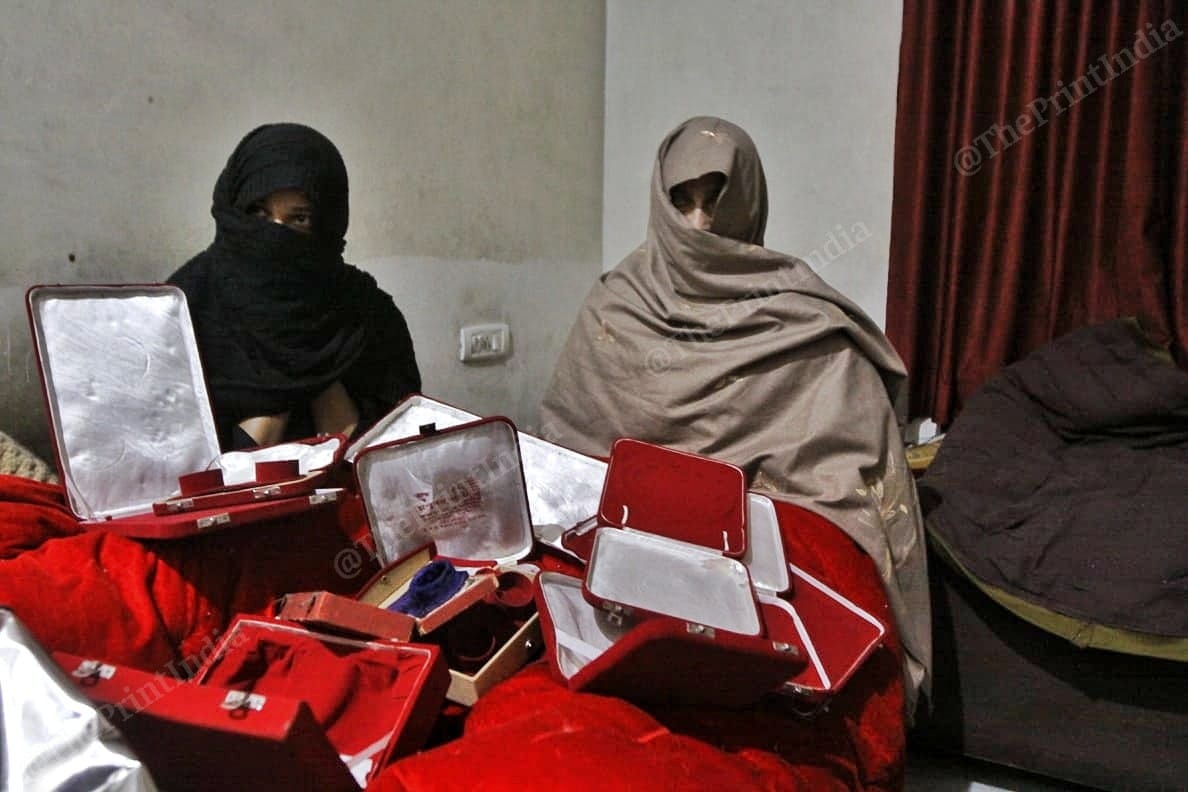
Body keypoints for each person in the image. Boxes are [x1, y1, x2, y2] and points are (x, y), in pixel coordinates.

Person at [540, 116, 931, 716]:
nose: (700, 225)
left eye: (717, 203)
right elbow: (565, 461)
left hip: (757, 567)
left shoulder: (805, 322)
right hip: (619, 565)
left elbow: (858, 489)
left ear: (748, 204)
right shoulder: (613, 308)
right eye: (684, 203)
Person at [169, 123, 420, 450]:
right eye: (259, 213)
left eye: (298, 219)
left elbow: (394, 456)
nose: (274, 236)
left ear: (327, 224)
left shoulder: (366, 315)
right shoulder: (184, 311)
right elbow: (171, 462)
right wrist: (287, 387)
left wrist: (314, 371)